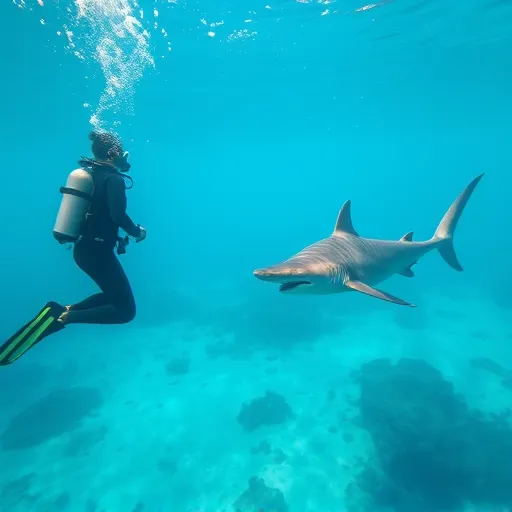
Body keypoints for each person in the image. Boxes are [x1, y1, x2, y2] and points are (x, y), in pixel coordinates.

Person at [0, 131, 147, 365]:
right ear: (113, 153)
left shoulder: (93, 174)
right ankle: (64, 317)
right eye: (122, 152)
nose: (125, 156)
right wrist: (137, 232)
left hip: (86, 250)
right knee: (125, 311)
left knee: (113, 296)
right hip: (97, 253)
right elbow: (117, 215)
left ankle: (65, 309)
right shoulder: (114, 179)